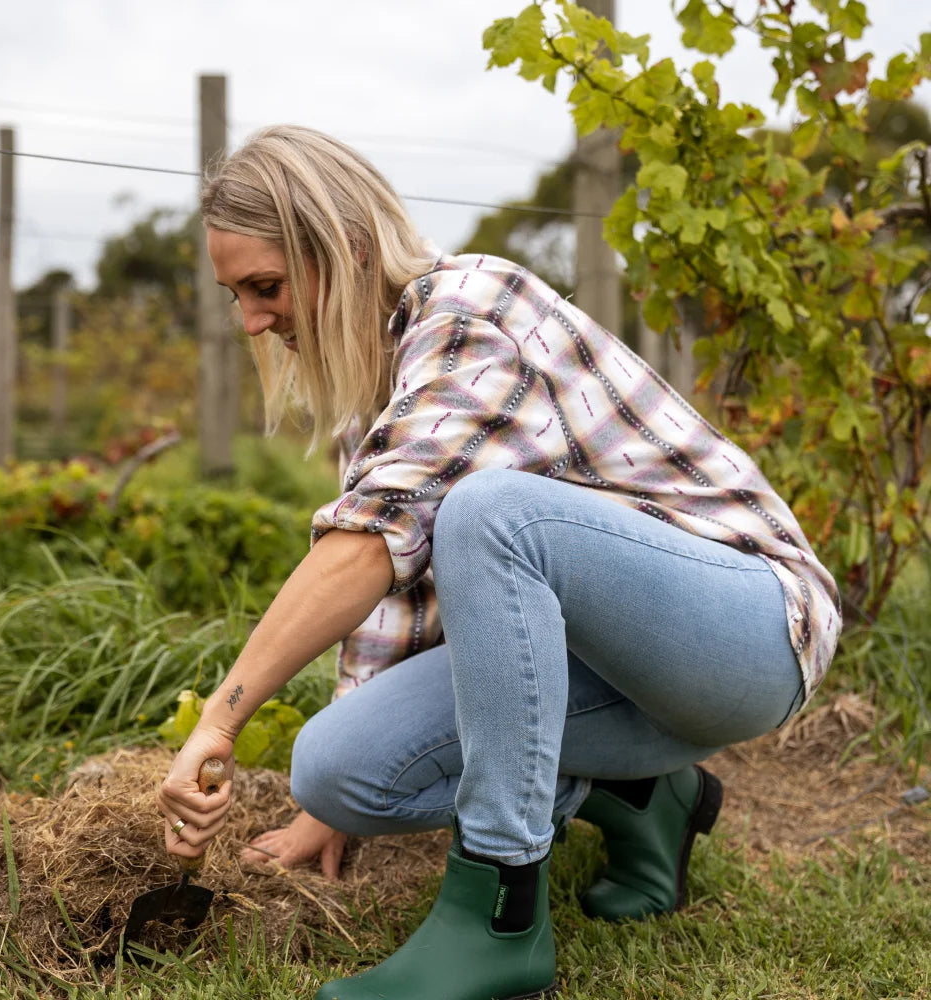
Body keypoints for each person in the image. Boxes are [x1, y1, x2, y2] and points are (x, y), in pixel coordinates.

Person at [156, 124, 841, 1000]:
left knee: (493, 513)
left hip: (747, 630)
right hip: (613, 665)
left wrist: (220, 719)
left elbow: (365, 548)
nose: (252, 319)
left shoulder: (469, 311)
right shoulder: (383, 389)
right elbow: (389, 607)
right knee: (338, 767)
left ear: (350, 251)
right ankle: (644, 798)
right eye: (236, 296)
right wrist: (324, 810)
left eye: (265, 287)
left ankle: (499, 920)